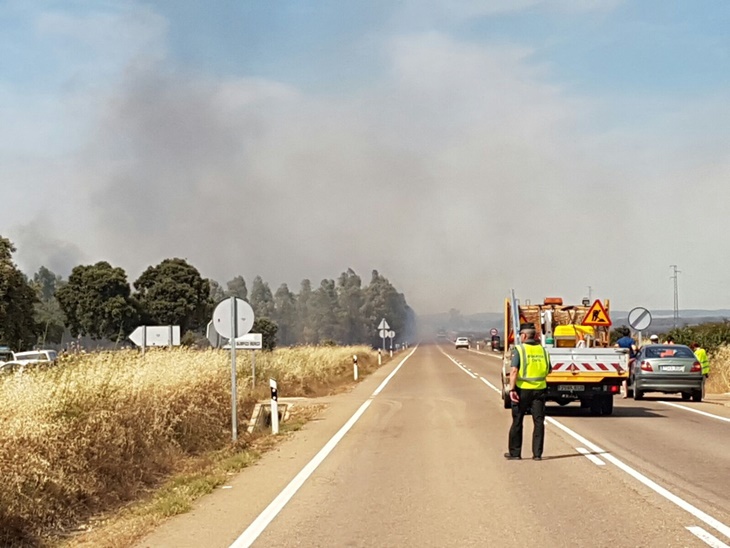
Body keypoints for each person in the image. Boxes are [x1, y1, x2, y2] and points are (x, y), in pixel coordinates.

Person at [505, 323, 551, 461]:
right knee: (538, 422)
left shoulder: (519, 349)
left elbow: (514, 371)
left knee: (518, 420)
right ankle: (537, 454)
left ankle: (515, 453)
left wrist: (511, 389)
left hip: (522, 390)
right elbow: (549, 369)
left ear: (524, 336)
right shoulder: (543, 351)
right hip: (540, 389)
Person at [615, 327, 637, 398]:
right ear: (629, 333)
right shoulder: (631, 340)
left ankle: (625, 393)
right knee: (632, 374)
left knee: (624, 376)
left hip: (622, 360)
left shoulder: (619, 341)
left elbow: (616, 347)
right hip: (631, 359)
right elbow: (634, 348)